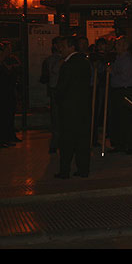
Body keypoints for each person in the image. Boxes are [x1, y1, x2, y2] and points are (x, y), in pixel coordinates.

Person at [54, 36, 92, 179]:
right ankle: (83, 169)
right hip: (83, 108)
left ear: (71, 47)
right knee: (82, 140)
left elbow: (62, 87)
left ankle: (65, 170)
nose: (60, 49)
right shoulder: (84, 62)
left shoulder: (67, 65)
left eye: (63, 46)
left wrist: (57, 98)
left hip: (69, 109)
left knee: (67, 140)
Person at [107, 36, 132, 154]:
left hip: (125, 90)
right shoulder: (119, 58)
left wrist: (113, 72)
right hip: (119, 90)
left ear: (125, 46)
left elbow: (125, 77)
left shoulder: (127, 60)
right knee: (119, 118)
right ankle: (120, 143)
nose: (116, 47)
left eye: (118, 45)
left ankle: (131, 144)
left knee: (127, 118)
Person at [40, 36, 64, 153]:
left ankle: (59, 142)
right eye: (59, 44)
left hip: (60, 89)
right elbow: (53, 71)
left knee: (59, 117)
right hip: (56, 89)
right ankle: (55, 143)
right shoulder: (53, 59)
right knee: (56, 117)